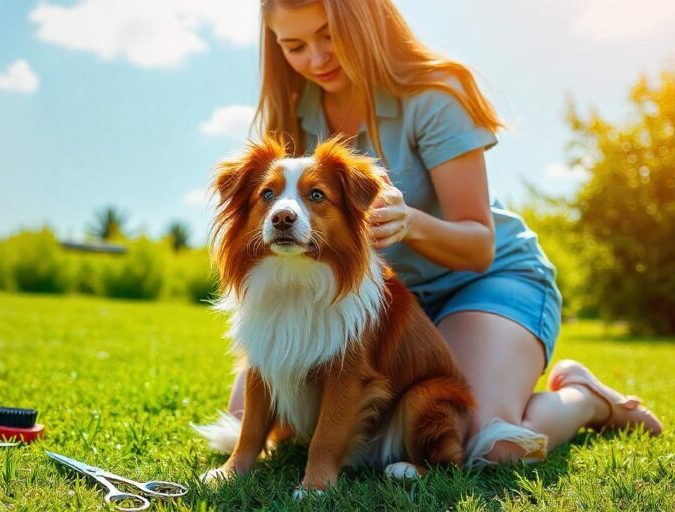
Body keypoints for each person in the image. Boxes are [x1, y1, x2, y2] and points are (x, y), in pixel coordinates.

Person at [225, 0, 662, 466]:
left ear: (367, 21)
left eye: (329, 35)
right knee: (248, 415)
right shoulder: (296, 111)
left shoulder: (435, 95)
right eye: (295, 45)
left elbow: (479, 244)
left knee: (487, 445)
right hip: (379, 304)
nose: (316, 58)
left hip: (486, 280)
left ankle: (585, 398)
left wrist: (410, 221)